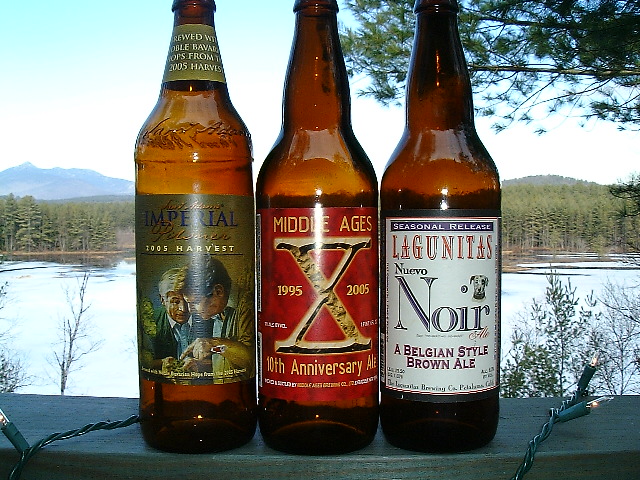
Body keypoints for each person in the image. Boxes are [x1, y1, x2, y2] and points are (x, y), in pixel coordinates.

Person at [180, 255, 255, 383]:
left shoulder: (246, 305)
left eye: (195, 302)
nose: (190, 309)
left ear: (218, 291)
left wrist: (212, 343)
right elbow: (225, 352)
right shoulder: (218, 311)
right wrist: (200, 365)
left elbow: (250, 360)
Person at [147, 267, 197, 373]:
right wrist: (161, 363)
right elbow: (141, 359)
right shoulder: (150, 322)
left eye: (187, 301)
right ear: (163, 300)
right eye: (175, 302)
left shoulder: (208, 318)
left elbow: (221, 353)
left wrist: (201, 363)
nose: (183, 309)